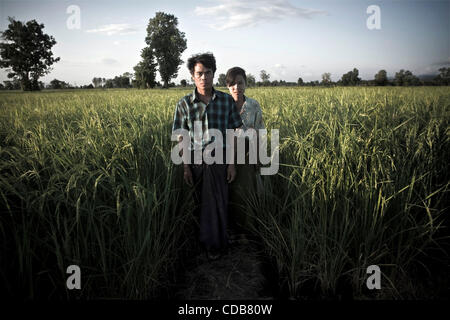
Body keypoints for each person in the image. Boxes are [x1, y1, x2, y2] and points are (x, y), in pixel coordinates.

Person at [172, 53, 243, 260]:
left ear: (214, 74)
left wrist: (231, 164)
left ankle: (216, 244)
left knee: (218, 202)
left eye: (208, 73)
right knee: (200, 204)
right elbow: (182, 137)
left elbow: (232, 134)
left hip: (219, 160)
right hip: (195, 162)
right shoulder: (184, 104)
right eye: (199, 73)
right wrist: (186, 167)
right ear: (193, 76)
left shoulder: (225, 101)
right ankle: (206, 242)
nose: (204, 77)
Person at [226, 67, 265, 243]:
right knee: (228, 191)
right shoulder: (223, 105)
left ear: (245, 84)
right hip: (225, 152)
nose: (236, 87)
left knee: (246, 191)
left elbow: (259, 131)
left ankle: (247, 231)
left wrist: (258, 156)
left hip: (248, 152)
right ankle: (229, 229)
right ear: (228, 86)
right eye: (232, 84)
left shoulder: (253, 105)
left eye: (240, 83)